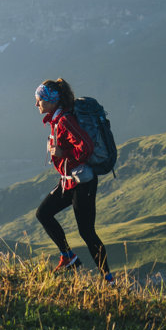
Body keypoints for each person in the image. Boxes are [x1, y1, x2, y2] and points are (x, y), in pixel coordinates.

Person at [34, 77, 115, 282]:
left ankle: (109, 280)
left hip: (83, 183)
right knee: (43, 213)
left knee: (87, 232)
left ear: (52, 101)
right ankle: (68, 257)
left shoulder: (65, 121)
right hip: (69, 181)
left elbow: (85, 147)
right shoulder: (58, 119)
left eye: (40, 100)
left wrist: (63, 153)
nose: (37, 104)